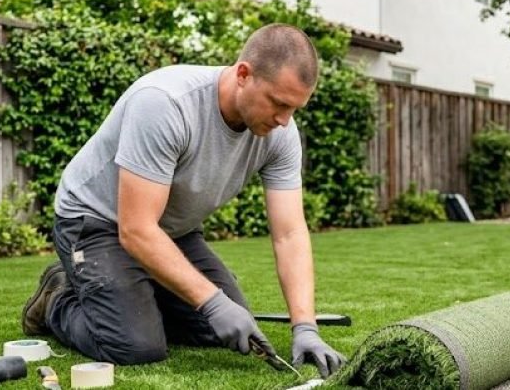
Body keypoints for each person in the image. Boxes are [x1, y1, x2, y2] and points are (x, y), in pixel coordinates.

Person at [20, 23, 346, 377]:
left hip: (170, 230)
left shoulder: (281, 133)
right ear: (242, 74)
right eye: (278, 104)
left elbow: (290, 233)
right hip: (97, 223)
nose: (285, 120)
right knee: (135, 345)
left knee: (223, 332)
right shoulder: (165, 103)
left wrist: (305, 326)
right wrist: (210, 299)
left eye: (294, 109)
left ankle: (137, 294)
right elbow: (135, 229)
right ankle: (57, 297)